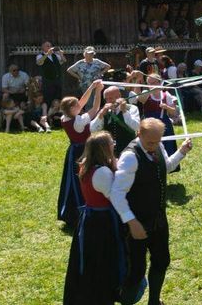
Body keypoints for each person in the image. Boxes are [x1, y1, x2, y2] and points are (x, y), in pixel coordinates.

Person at [111, 119, 193, 305]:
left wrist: (182, 151)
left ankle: (154, 302)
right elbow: (116, 193)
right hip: (137, 224)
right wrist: (132, 222)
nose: (154, 146)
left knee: (162, 261)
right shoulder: (130, 157)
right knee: (136, 272)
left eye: (158, 141)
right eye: (150, 143)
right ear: (139, 134)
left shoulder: (157, 144)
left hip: (158, 220)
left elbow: (167, 166)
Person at [63, 131, 133, 304]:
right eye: (112, 143)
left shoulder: (87, 166)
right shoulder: (102, 172)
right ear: (104, 148)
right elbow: (114, 196)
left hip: (90, 218)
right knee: (104, 260)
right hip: (102, 221)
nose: (114, 146)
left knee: (91, 260)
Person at [58, 80, 104, 226]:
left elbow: (82, 102)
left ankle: (70, 212)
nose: (80, 105)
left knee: (72, 181)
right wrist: (98, 91)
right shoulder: (79, 121)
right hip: (83, 151)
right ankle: (80, 212)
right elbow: (95, 108)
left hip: (73, 151)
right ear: (72, 109)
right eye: (76, 105)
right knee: (82, 180)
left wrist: (92, 86)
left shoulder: (65, 117)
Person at [138, 74, 180, 171]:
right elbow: (141, 100)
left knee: (167, 146)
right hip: (149, 126)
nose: (151, 85)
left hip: (164, 125)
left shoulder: (166, 95)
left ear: (159, 82)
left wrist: (166, 107)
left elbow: (173, 111)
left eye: (154, 83)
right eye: (149, 83)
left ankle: (167, 167)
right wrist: (150, 90)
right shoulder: (146, 93)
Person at [91, 86, 142, 156]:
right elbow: (92, 130)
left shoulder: (131, 108)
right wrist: (100, 115)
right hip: (110, 151)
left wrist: (124, 111)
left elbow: (136, 127)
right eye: (107, 99)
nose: (109, 101)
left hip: (129, 149)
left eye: (111, 98)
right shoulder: (104, 111)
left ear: (119, 96)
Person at [37, 41, 67, 105]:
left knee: (58, 97)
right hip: (47, 81)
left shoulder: (55, 55)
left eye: (50, 46)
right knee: (48, 98)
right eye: (47, 46)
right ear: (43, 47)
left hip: (57, 80)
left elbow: (64, 61)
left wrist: (61, 54)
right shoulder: (40, 56)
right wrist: (47, 54)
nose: (50, 47)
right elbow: (39, 63)